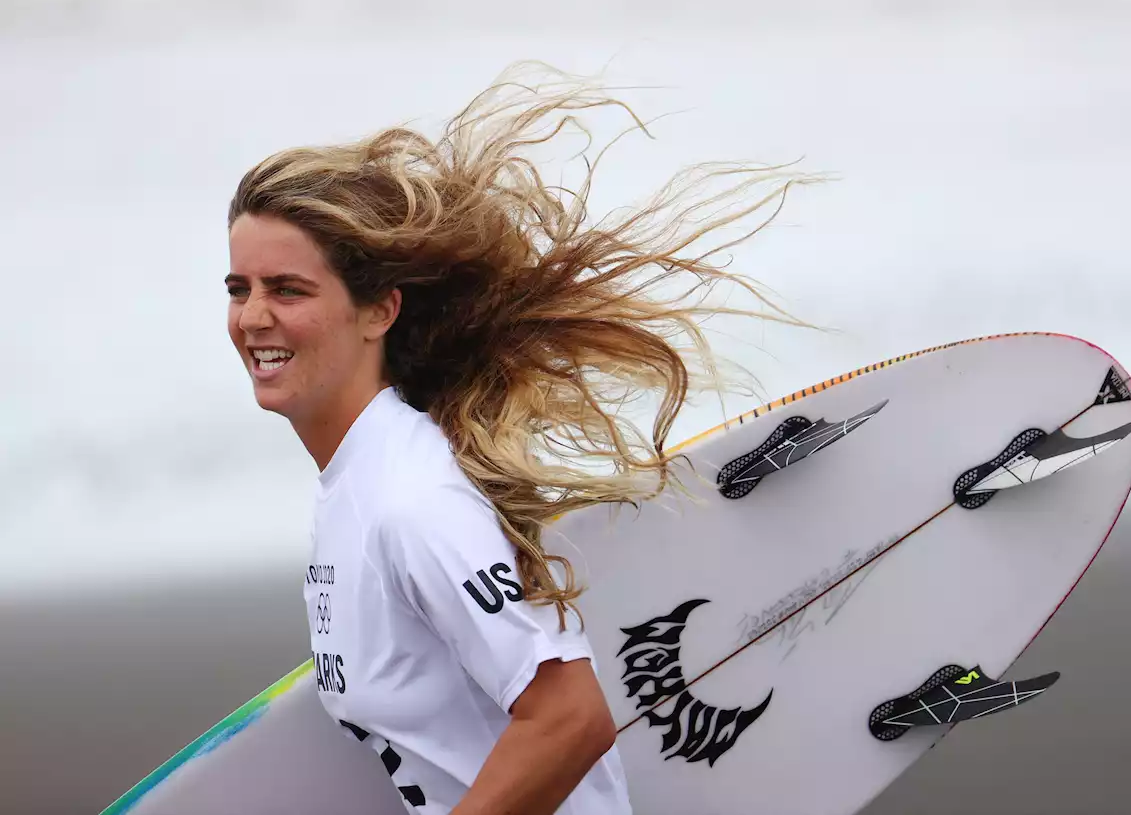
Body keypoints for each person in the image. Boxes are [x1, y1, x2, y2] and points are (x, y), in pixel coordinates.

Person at [223, 62, 822, 814]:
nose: (252, 317)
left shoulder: (412, 501)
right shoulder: (357, 486)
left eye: (287, 289)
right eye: (238, 288)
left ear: (379, 311)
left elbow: (570, 719)